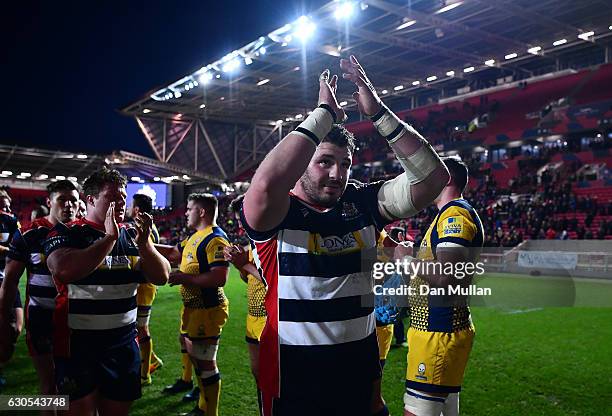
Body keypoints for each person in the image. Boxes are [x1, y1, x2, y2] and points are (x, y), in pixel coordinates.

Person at [241, 56, 449, 416]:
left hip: (359, 372)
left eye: (345, 164)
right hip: (294, 377)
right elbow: (263, 186)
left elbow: (433, 180)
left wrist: (379, 112)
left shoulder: (364, 203)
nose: (337, 174)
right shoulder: (279, 210)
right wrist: (323, 114)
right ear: (302, 162)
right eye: (324, 161)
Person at [43, 168, 170, 416]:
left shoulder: (133, 236)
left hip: (122, 346)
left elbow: (162, 276)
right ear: (90, 200)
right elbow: (64, 270)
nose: (121, 203)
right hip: (77, 345)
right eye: (112, 197)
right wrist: (109, 239)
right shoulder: (66, 233)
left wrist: (145, 245)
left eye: (123, 197)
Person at [403, 157, 484, 416]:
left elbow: (447, 274)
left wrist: (405, 260)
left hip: (438, 332)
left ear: (446, 178)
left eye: (430, 174)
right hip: (436, 330)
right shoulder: (449, 214)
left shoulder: (454, 214)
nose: (424, 181)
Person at [0, 180, 79, 410]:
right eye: (62, 199)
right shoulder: (30, 234)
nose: (68, 205)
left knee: (76, 387)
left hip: (78, 321)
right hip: (41, 319)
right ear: (49, 202)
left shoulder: (83, 233)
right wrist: (4, 323)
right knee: (49, 386)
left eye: (73, 200)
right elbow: (11, 281)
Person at [157, 193, 230, 416]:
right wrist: (143, 244)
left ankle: (209, 411)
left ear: (201, 212)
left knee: (206, 362)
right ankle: (201, 402)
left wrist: (184, 278)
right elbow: (172, 253)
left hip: (207, 309)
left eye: (189, 209)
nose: (186, 213)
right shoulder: (195, 237)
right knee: (194, 354)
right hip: (192, 308)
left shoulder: (216, 239)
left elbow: (219, 278)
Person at [224, 194, 266, 413]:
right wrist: (240, 264)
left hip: (273, 321)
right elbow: (249, 278)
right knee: (258, 376)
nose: (240, 224)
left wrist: (245, 265)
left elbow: (276, 280)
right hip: (253, 320)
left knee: (278, 380)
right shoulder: (253, 245)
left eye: (242, 219)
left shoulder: (273, 239)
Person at [127, 193, 164, 386]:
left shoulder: (143, 229)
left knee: (141, 327)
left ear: (137, 209)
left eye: (130, 205)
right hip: (145, 284)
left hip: (144, 285)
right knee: (137, 328)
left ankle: (144, 374)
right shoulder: (150, 227)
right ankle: (152, 360)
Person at [0, 189, 22, 392]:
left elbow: (21, 244)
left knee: (16, 328)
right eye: (1, 205)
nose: (5, 209)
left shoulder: (12, 221)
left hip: (9, 279)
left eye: (7, 205)